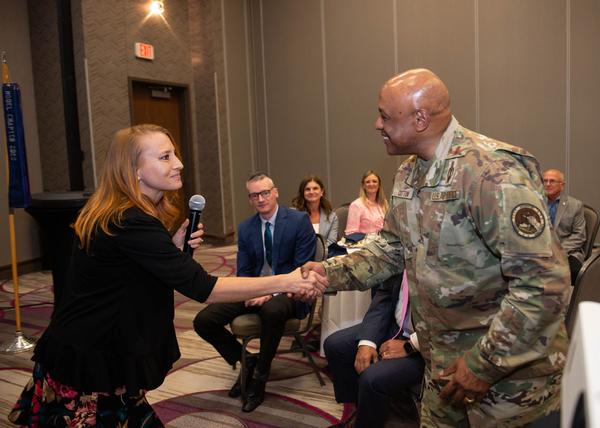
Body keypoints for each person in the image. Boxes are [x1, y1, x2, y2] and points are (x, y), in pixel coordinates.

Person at [303, 69, 570, 427]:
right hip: (442, 368)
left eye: (384, 115)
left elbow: (544, 286)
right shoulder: (409, 174)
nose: (376, 124)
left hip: (507, 379)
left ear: (421, 119)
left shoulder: (492, 172)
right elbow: (390, 249)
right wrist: (328, 273)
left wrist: (483, 365)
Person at [8, 125, 321, 427]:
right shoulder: (131, 219)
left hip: (88, 345)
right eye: (165, 157)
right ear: (135, 170)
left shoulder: (121, 211)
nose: (179, 164)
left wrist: (170, 249)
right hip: (93, 359)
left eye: (175, 155)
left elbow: (127, 274)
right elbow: (203, 288)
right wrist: (288, 280)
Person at [193, 172, 316, 413]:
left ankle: (260, 374)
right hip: (254, 289)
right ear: (250, 199)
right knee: (204, 320)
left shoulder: (298, 221)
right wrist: (250, 290)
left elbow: (303, 269)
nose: (260, 199)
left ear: (276, 192)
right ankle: (246, 360)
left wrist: (269, 292)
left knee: (272, 309)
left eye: (265, 192)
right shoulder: (246, 228)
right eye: (254, 195)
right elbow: (245, 270)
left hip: (289, 293)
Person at [324, 271, 424, 428]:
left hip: (428, 344)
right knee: (336, 346)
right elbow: (384, 295)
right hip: (397, 327)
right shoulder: (403, 251)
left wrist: (410, 345)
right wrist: (367, 342)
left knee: (372, 379)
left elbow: (455, 322)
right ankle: (361, 412)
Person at [543, 168, 586, 283]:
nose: (547, 184)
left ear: (562, 185)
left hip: (568, 252)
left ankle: (570, 300)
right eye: (545, 181)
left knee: (574, 273)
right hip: (541, 251)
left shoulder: (575, 205)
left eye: (552, 181)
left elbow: (579, 236)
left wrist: (558, 252)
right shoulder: (536, 202)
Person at [291, 174, 339, 247]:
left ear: (322, 191)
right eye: (307, 189)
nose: (311, 192)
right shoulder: (293, 214)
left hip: (324, 256)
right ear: (303, 193)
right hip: (300, 256)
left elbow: (331, 243)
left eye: (315, 188)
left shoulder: (332, 216)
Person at [344, 170, 388, 236]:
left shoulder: (383, 203)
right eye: (367, 182)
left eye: (374, 181)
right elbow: (351, 233)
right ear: (363, 186)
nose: (371, 184)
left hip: (383, 243)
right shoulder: (356, 205)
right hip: (365, 244)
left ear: (379, 185)